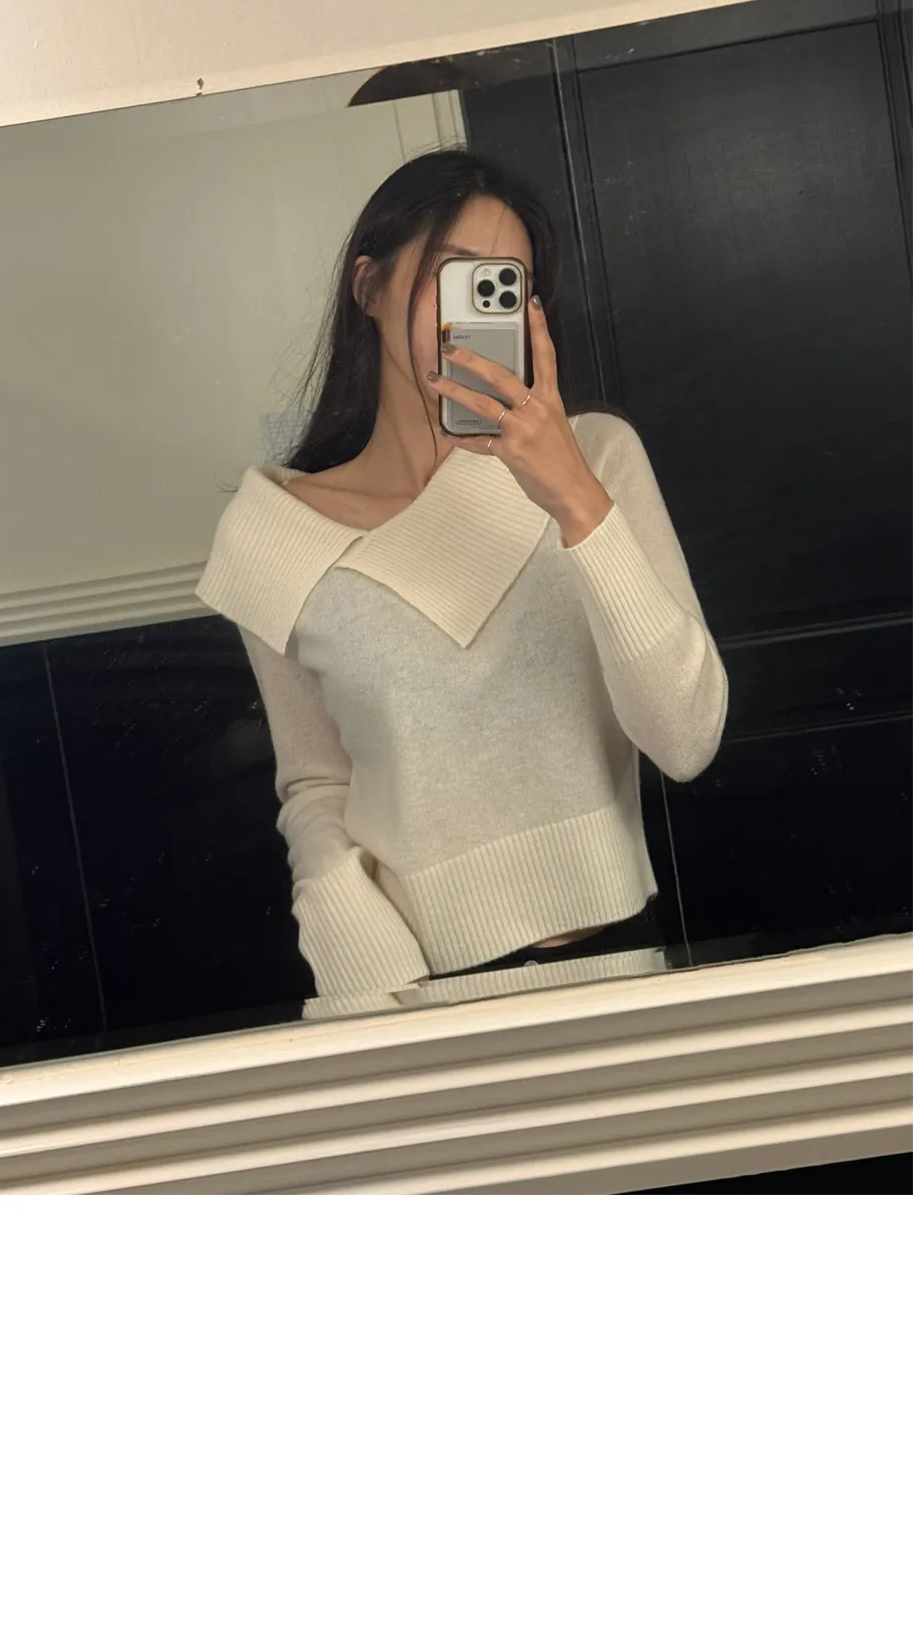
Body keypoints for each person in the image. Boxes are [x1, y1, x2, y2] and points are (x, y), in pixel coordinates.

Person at [198, 152, 726, 1019]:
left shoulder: (597, 461)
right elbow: (316, 783)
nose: (478, 312)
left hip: (615, 962)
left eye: (505, 287)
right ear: (369, 287)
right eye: (455, 278)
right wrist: (357, 950)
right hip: (409, 990)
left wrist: (574, 499)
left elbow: (687, 738)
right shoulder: (276, 533)